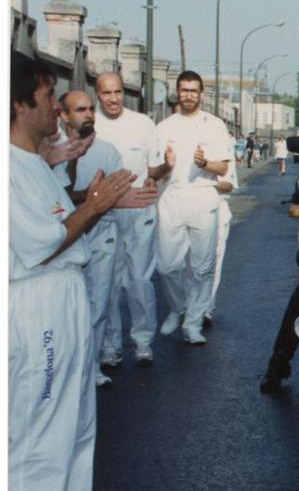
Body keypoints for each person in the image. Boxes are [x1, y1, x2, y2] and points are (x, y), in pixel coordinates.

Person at [9, 54, 132, 491]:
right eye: (45, 99)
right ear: (17, 106)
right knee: (38, 424)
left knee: (77, 420)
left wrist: (100, 201)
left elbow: (61, 216)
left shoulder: (34, 160)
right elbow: (41, 243)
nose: (56, 110)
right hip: (37, 304)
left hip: (66, 294)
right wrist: (98, 205)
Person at [56, 91, 157, 387]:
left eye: (89, 109)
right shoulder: (53, 149)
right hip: (66, 237)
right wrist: (90, 198)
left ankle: (95, 362)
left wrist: (114, 202)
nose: (87, 114)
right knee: (73, 305)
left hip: (103, 233)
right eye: (79, 110)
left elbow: (114, 196)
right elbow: (63, 196)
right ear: (64, 116)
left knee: (101, 300)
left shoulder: (108, 150)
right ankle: (71, 365)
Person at [150, 71, 233, 345]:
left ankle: (194, 322)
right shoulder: (163, 127)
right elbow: (154, 171)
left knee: (202, 266)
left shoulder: (215, 125)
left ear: (201, 93)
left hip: (203, 195)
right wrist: (167, 165)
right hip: (173, 196)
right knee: (166, 264)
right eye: (184, 90)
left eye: (193, 90)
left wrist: (204, 163)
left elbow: (224, 167)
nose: (188, 95)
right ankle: (177, 309)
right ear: (177, 91)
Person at [94, 72, 162, 367]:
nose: (113, 98)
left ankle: (143, 341)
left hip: (139, 210)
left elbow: (156, 167)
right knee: (106, 282)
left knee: (139, 279)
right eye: (107, 93)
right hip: (104, 213)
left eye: (118, 92)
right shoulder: (90, 125)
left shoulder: (143, 124)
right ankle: (110, 346)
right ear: (97, 94)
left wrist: (153, 180)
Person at [205, 158, 239, 327]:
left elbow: (229, 185)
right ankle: (187, 305)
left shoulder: (222, 147)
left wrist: (201, 185)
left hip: (217, 211)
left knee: (213, 263)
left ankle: (206, 308)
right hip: (183, 210)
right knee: (180, 265)